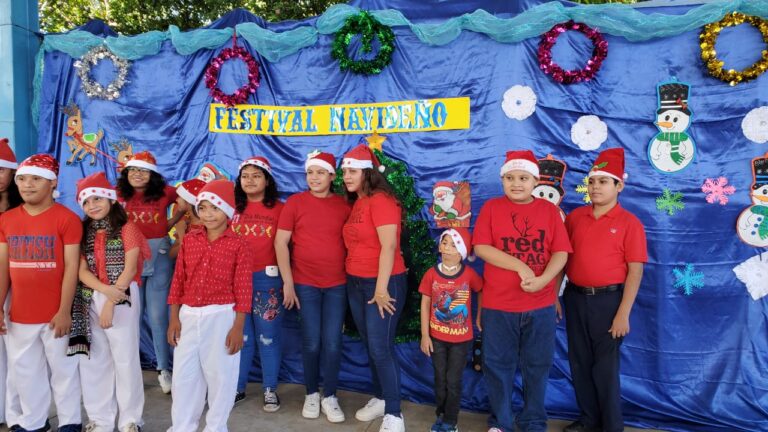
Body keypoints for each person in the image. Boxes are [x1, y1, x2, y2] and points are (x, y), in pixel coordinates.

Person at [473, 150, 571, 432]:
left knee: (537, 367)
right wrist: (521, 266)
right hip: (499, 306)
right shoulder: (492, 208)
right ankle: (501, 422)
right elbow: (481, 248)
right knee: (498, 367)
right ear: (502, 180)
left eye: (523, 178)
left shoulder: (549, 211)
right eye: (510, 178)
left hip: (539, 307)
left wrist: (545, 282)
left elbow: (561, 253)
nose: (517, 183)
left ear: (535, 181)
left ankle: (534, 421)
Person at [560, 148, 647, 432]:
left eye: (603, 181)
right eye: (592, 181)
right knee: (579, 362)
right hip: (574, 298)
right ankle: (588, 420)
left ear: (619, 186)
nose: (596, 187)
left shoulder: (629, 223)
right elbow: (562, 258)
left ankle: (611, 426)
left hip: (609, 302)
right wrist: (554, 296)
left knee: (605, 369)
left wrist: (623, 313)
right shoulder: (575, 218)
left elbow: (635, 271)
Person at [0, 154, 83, 432]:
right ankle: (34, 422)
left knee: (64, 370)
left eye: (36, 178)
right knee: (25, 372)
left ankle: (70, 420)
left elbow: (71, 268)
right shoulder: (7, 220)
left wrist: (63, 310)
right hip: (20, 314)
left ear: (52, 182)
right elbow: (3, 268)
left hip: (54, 313)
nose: (27, 184)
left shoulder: (68, 219)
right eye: (22, 178)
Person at [166, 179, 252, 431]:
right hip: (189, 315)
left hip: (222, 315)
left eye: (214, 208)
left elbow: (243, 289)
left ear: (227, 211)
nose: (208, 214)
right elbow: (178, 281)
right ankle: (182, 426)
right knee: (184, 377)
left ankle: (216, 426)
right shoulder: (190, 241)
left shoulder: (239, 245)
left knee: (221, 377)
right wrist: (174, 318)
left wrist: (237, 327)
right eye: (202, 208)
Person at [274, 150, 350, 422]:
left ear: (332, 176)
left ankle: (330, 395)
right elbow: (281, 243)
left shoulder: (343, 204)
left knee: (332, 343)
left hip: (337, 285)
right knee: (311, 342)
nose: (314, 177)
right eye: (310, 172)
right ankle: (311, 394)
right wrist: (288, 283)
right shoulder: (295, 203)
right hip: (305, 283)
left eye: (320, 172)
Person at [70, 172, 149, 432]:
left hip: (122, 293)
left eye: (97, 198)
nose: (92, 205)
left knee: (125, 358)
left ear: (110, 199)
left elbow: (129, 268)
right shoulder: (84, 231)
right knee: (95, 359)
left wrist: (110, 301)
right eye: (86, 201)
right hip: (92, 293)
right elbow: (81, 271)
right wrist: (103, 292)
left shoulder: (128, 228)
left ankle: (130, 420)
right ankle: (100, 419)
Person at [341, 143, 407, 432]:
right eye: (344, 171)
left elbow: (389, 245)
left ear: (367, 173)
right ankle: (381, 397)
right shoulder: (358, 201)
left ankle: (394, 413)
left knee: (381, 347)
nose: (346, 176)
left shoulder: (382, 200)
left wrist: (381, 289)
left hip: (383, 282)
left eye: (352, 170)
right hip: (356, 281)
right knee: (371, 345)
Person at [116, 151, 181, 393]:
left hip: (159, 256)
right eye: (133, 170)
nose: (138, 174)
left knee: (157, 317)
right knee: (128, 317)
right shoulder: (118, 194)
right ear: (126, 173)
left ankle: (164, 369)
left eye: (143, 170)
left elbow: (186, 203)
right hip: (128, 260)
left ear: (152, 174)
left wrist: (170, 224)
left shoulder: (165, 192)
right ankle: (128, 371)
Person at [232, 156, 285, 411]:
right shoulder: (230, 208)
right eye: (245, 176)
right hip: (235, 282)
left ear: (267, 180)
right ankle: (237, 387)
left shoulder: (280, 209)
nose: (250, 181)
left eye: (256, 175)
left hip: (268, 280)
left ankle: (269, 389)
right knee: (240, 336)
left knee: (268, 337)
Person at [419, 228, 483, 432]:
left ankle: (450, 422)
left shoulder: (469, 274)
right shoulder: (431, 274)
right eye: (444, 243)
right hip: (437, 338)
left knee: (453, 381)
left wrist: (480, 316)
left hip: (461, 340)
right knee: (440, 379)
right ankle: (441, 415)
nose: (447, 248)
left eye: (454, 245)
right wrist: (425, 335)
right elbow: (425, 303)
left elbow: (481, 290)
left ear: (462, 251)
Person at [0, 138, 22, 429]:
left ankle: (16, 411)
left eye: (2, 170)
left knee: (18, 353)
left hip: (19, 287)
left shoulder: (24, 208)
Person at [169, 178, 206, 258]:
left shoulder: (205, 228)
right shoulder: (186, 223)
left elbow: (190, 252)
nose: (176, 200)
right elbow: (172, 254)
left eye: (179, 197)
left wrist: (181, 233)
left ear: (189, 201)